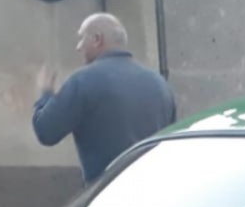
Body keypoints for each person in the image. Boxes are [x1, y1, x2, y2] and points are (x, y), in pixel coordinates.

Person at [32, 13, 176, 184]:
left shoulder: (83, 81)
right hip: (156, 192)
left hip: (108, 195)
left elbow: (46, 131)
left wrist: (45, 93)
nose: (78, 47)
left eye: (81, 39)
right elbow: (170, 140)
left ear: (97, 39)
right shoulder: (159, 83)